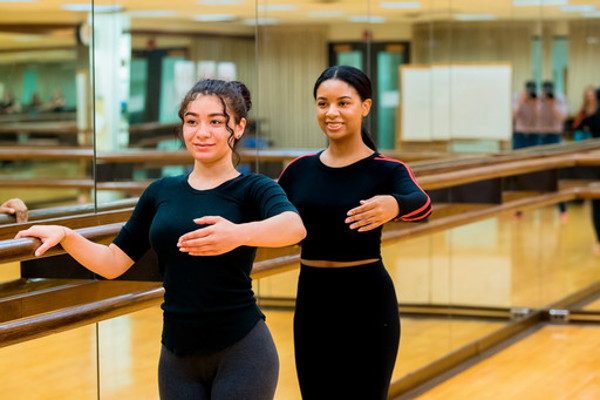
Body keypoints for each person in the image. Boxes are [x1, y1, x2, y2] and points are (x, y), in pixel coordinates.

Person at [16, 79, 306, 400]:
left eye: (216, 122)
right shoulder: (160, 192)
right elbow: (112, 263)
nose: (202, 132)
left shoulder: (253, 188)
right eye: (192, 121)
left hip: (243, 351)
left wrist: (237, 234)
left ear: (237, 128)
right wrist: (68, 236)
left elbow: (293, 227)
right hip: (176, 356)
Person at [277, 65, 432, 400]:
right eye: (322, 103)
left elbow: (421, 204)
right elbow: (263, 213)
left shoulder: (387, 170)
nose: (331, 112)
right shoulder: (298, 170)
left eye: (343, 103)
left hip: (368, 303)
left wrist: (394, 205)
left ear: (365, 106)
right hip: (312, 302)